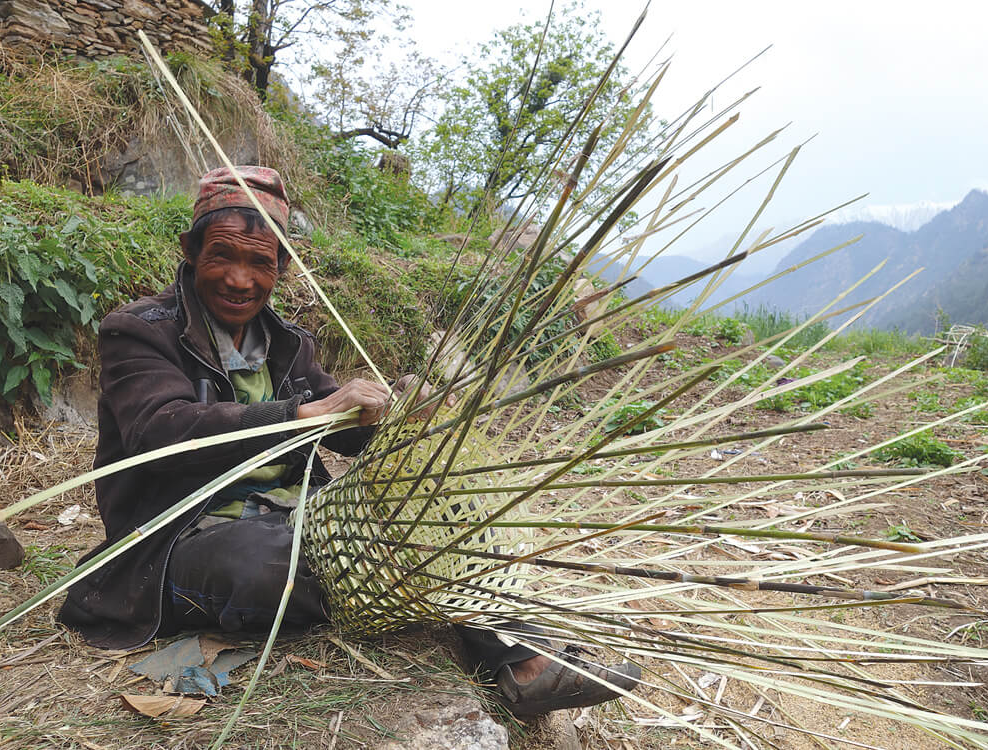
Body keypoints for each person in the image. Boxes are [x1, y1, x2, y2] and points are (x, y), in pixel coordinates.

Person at [59, 166, 639, 716]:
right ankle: (409, 599)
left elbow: (350, 436)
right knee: (264, 567)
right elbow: (161, 430)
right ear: (190, 252)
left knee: (434, 518)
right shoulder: (139, 331)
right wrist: (302, 412)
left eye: (260, 262)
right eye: (222, 256)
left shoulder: (288, 344)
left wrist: (402, 420)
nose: (240, 279)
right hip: (178, 535)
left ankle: (525, 662)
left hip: (300, 517)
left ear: (282, 268)